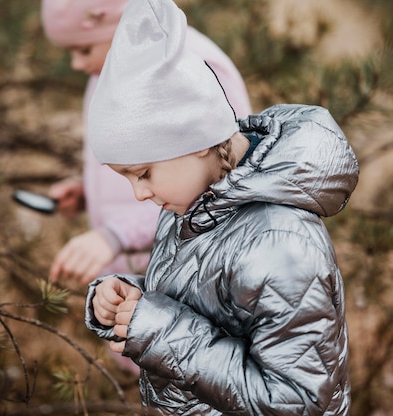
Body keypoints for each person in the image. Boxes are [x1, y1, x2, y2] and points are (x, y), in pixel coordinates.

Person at [84, 0, 357, 413]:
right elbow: (210, 306)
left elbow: (299, 401)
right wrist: (134, 299)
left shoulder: (280, 242)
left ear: (194, 143)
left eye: (142, 173)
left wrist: (160, 331)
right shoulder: (193, 203)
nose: (138, 194)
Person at [40, 0, 252, 285]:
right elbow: (144, 159)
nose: (76, 63)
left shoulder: (190, 69)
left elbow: (224, 178)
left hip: (188, 275)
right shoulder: (109, 73)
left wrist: (119, 234)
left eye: (84, 49)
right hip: (140, 284)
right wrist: (87, 192)